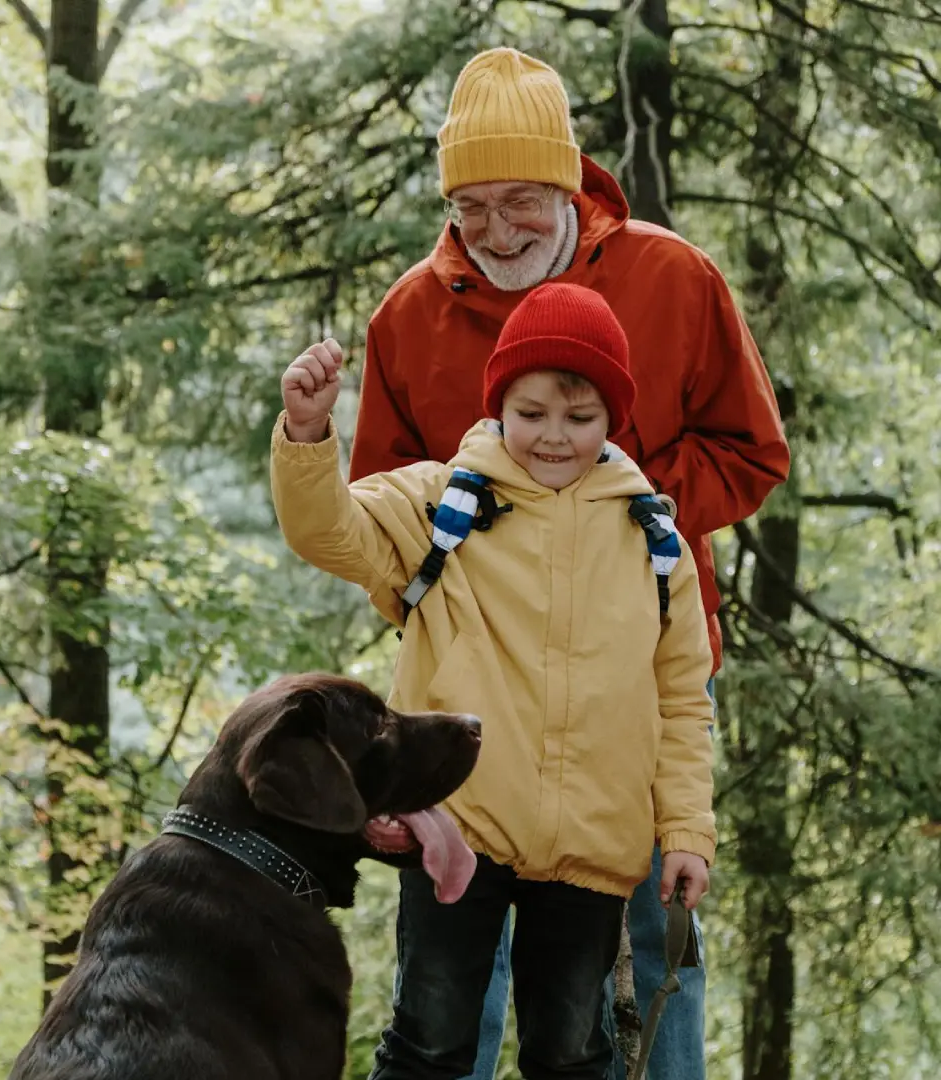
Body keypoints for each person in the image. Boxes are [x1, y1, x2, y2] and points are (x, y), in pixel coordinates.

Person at [347, 46, 791, 1080]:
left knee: (644, 937)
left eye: (519, 202)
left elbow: (752, 449)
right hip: (472, 685)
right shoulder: (407, 315)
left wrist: (618, 523)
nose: (496, 232)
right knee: (462, 942)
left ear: (568, 179)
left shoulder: (673, 277)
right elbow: (375, 515)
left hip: (638, 668)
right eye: (469, 207)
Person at [271, 281, 717, 1079]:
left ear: (613, 418)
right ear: (498, 403)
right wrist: (309, 436)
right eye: (532, 412)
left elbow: (683, 701)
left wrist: (684, 831)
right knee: (431, 1046)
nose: (553, 438)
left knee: (573, 1057)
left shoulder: (655, 543)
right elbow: (326, 529)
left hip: (594, 846)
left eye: (580, 419)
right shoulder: (442, 503)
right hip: (456, 832)